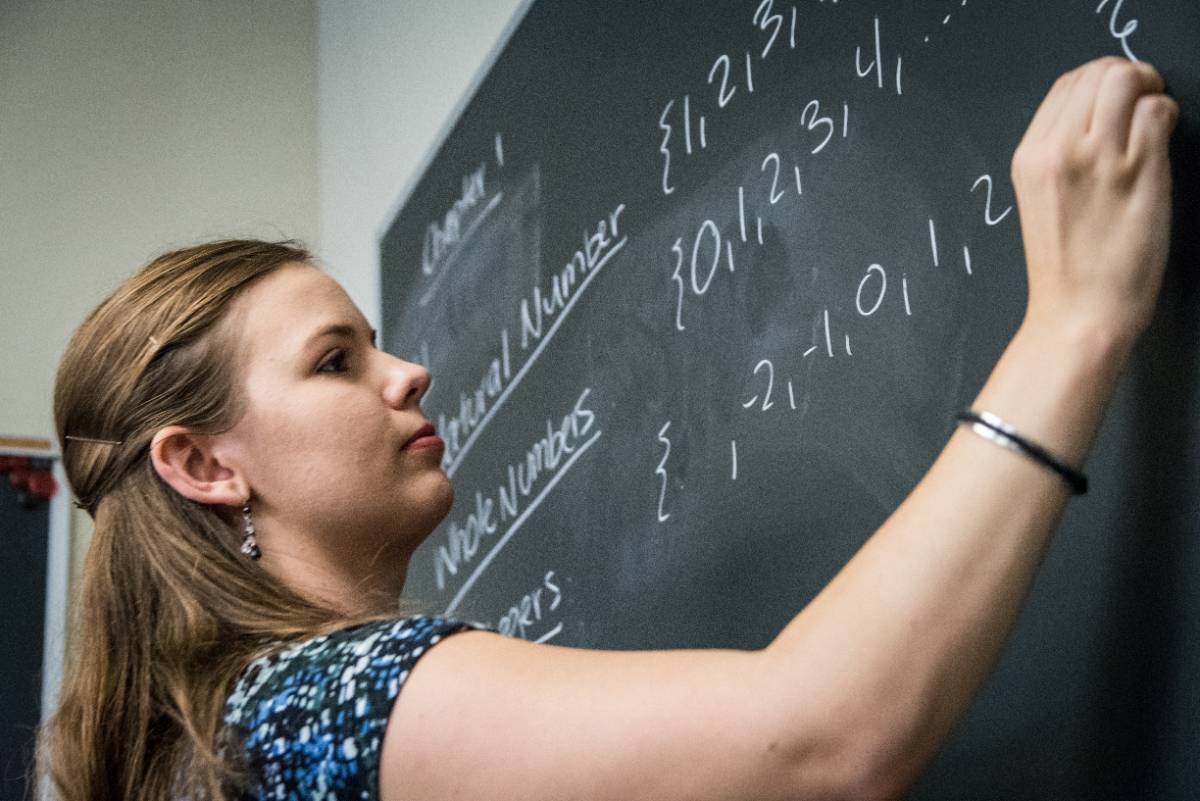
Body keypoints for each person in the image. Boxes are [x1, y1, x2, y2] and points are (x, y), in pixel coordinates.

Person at [38, 55, 1177, 801]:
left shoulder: (210, 756)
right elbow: (822, 738)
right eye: (336, 362)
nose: (410, 372)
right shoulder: (324, 707)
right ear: (202, 464)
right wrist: (1074, 325)